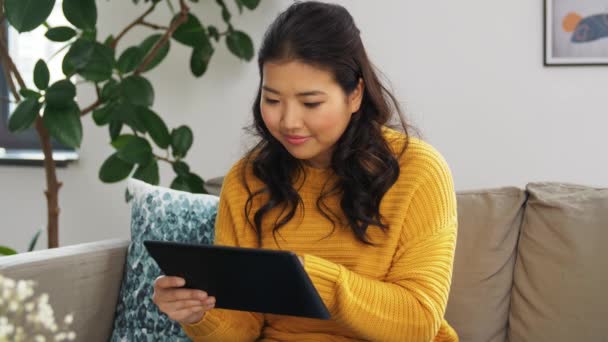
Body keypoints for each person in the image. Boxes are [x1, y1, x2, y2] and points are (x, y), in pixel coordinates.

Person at [152, 1, 458, 341]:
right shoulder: (247, 180)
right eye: (272, 99)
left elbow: (418, 324)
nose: (288, 121)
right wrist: (198, 313)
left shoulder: (418, 172)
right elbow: (241, 331)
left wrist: (307, 277)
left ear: (355, 93)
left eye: (310, 103)